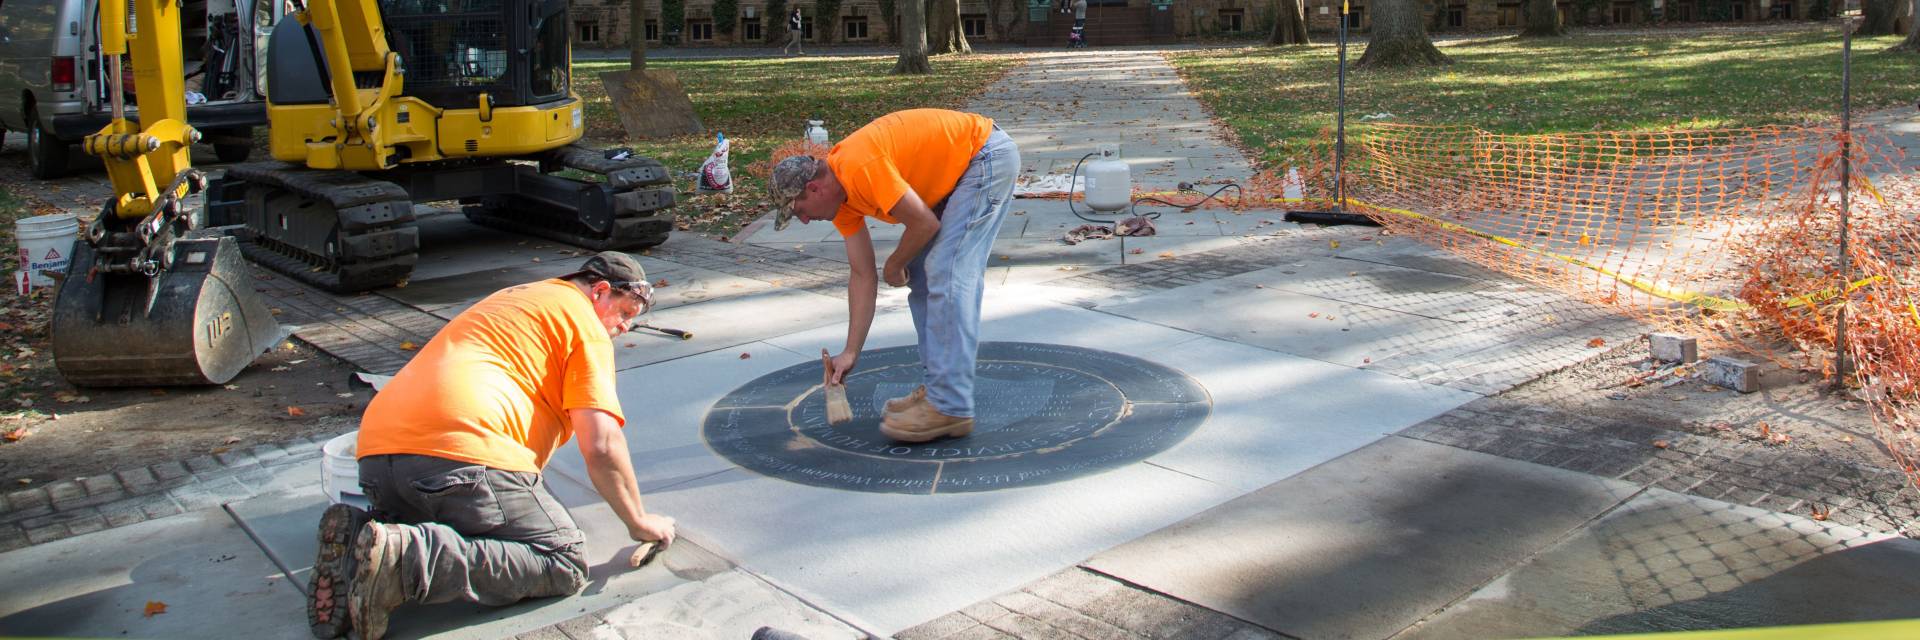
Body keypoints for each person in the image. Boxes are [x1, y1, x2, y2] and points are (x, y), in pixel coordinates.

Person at [304, 252, 677, 640]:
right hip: (460, 450)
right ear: (600, 291)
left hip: (377, 456)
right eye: (624, 313)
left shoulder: (518, 298)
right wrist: (638, 521)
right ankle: (407, 559)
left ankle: (368, 536)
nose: (624, 327)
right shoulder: (583, 323)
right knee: (561, 560)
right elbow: (601, 444)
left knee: (457, 520)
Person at [768, 109, 1019, 443]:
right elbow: (861, 274)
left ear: (814, 189)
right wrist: (850, 352)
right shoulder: (840, 202)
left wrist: (893, 263)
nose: (802, 220)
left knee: (947, 270)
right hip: (955, 175)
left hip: (985, 156)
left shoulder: (859, 167)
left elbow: (924, 224)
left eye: (798, 211)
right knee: (922, 274)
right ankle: (939, 393)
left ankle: (951, 405)